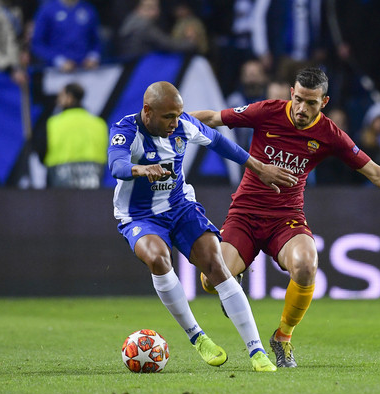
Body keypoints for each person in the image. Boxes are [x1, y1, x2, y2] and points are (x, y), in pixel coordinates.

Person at [191, 67, 380, 368]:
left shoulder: (329, 134)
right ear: (292, 92)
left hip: (286, 219)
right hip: (245, 214)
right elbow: (213, 118)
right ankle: (231, 275)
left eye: (311, 103)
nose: (302, 108)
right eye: (299, 99)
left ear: (324, 102)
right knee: (210, 280)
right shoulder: (266, 111)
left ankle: (283, 338)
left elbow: (375, 173)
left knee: (306, 265)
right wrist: (172, 121)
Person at [108, 81, 298, 372]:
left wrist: (259, 168)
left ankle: (257, 351)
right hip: (139, 215)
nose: (176, 122)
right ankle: (197, 337)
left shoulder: (184, 125)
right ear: (147, 111)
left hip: (181, 207)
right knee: (159, 258)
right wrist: (140, 169)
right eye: (168, 116)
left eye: (179, 114)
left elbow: (220, 143)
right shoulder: (126, 130)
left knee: (217, 267)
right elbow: (116, 165)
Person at [43, 82, 108, 188]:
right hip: (94, 172)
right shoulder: (99, 123)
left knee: (63, 204)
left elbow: (42, 149)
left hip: (60, 174)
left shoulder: (53, 123)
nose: (58, 100)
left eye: (61, 96)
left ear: (69, 97)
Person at [31, 0, 102, 72]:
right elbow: (37, 43)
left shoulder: (89, 9)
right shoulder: (47, 10)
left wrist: (93, 57)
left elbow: (97, 41)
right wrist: (58, 61)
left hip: (85, 70)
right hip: (56, 72)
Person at [116, 0, 196, 59]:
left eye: (157, 8)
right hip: (141, 66)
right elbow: (168, 45)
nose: (157, 12)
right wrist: (190, 43)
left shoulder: (130, 20)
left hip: (131, 65)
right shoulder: (144, 26)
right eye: (152, 8)